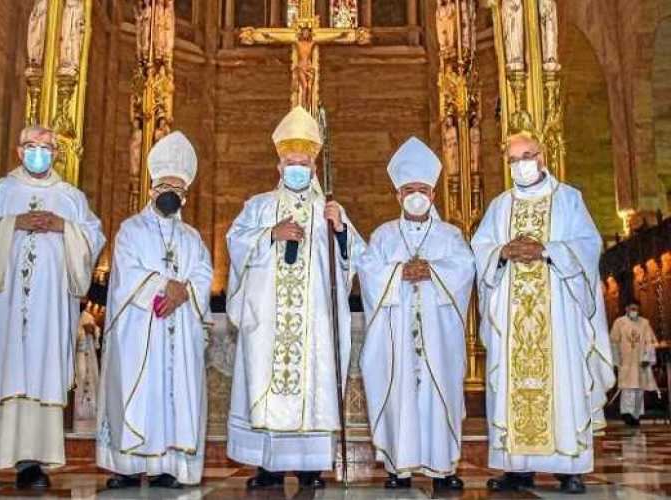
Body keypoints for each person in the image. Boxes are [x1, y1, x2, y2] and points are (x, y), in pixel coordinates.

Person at [0, 125, 106, 490]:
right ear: (19, 151)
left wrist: (64, 229)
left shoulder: (70, 199)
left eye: (47, 147)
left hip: (46, 311)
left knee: (38, 375)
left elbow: (93, 237)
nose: (39, 152)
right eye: (32, 146)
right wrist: (13, 224)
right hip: (1, 309)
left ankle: (32, 464)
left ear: (57, 153)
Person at [226, 106, 366, 490]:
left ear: (315, 167)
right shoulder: (259, 207)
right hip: (269, 321)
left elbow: (357, 259)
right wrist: (270, 234)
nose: (297, 168)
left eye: (304, 163)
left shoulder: (329, 210)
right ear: (279, 166)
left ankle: (310, 466)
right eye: (291, 162)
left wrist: (340, 233)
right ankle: (268, 466)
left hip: (314, 323)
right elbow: (235, 243)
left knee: (313, 385)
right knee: (267, 383)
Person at [471, 131, 614, 495]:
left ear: (543, 155)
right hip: (512, 316)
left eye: (528, 155)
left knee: (563, 381)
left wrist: (547, 249)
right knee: (510, 385)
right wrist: (502, 253)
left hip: (559, 315)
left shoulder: (568, 200)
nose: (522, 164)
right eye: (514, 159)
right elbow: (481, 247)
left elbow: (588, 245)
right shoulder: (500, 206)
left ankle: (569, 467)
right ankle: (516, 468)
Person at [97, 131, 213, 489]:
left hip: (179, 326)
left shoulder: (192, 237)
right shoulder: (130, 230)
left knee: (174, 394)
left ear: (185, 197)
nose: (171, 195)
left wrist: (185, 292)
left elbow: (203, 273)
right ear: (151, 189)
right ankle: (128, 467)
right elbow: (127, 273)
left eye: (178, 190)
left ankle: (170, 466)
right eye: (165, 186)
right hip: (139, 326)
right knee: (136, 391)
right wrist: (164, 287)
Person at [358, 137, 475, 491]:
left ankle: (443, 468)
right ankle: (399, 467)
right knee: (400, 394)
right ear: (397, 195)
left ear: (434, 194)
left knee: (441, 395)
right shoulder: (383, 235)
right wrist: (398, 274)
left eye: (422, 188)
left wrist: (433, 272)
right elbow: (368, 270)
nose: (416, 194)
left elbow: (465, 267)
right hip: (396, 335)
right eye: (408, 188)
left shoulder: (450, 235)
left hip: (439, 337)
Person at [610, 302, 659, 426]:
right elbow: (614, 343)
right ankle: (627, 414)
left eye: (636, 309)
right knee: (627, 389)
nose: (634, 311)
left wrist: (647, 358)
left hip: (640, 362)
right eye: (632, 308)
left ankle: (636, 415)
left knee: (638, 389)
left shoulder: (644, 323)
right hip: (625, 362)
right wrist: (616, 360)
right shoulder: (619, 323)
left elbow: (650, 342)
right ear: (626, 308)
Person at [73, 309, 101, 433]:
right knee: (80, 379)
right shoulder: (72, 315)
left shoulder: (89, 316)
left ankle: (91, 414)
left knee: (92, 382)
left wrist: (94, 331)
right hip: (78, 355)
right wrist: (82, 331)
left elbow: (97, 332)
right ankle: (79, 414)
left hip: (90, 355)